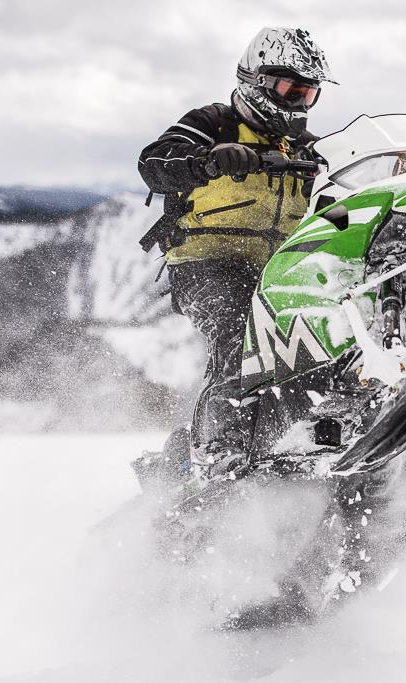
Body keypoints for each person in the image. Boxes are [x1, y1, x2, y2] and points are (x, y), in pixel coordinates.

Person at [136, 27, 336, 477]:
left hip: (279, 270)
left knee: (316, 342)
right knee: (239, 337)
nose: (300, 103)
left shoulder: (307, 149)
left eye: (309, 93)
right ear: (258, 81)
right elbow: (153, 163)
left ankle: (304, 431)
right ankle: (217, 454)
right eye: (292, 89)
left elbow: (334, 205)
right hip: (204, 262)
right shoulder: (214, 122)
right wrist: (209, 160)